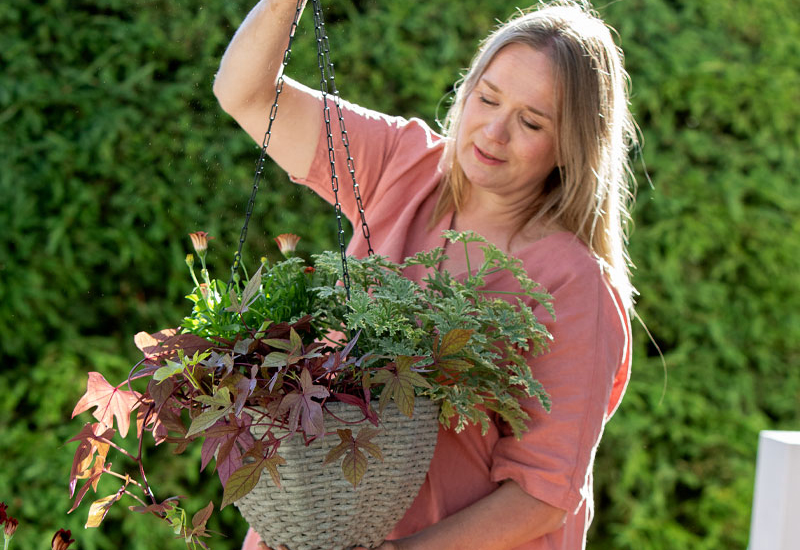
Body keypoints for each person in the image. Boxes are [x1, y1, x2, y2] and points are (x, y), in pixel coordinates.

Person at [213, 0, 636, 548]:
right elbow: (244, 93)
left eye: (531, 121)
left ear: (571, 147)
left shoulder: (574, 286)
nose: (494, 131)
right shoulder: (401, 164)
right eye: (487, 98)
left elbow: (545, 495)